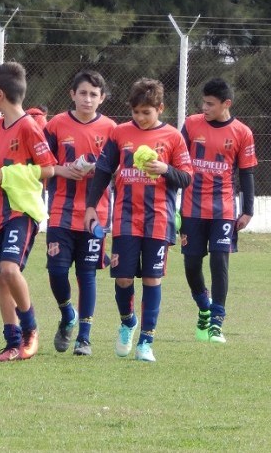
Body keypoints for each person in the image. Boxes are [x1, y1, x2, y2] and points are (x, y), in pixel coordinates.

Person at [84, 78, 192, 362]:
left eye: (147, 112)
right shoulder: (119, 134)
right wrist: (91, 206)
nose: (140, 118)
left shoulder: (173, 137)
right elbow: (103, 171)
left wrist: (165, 168)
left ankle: (146, 341)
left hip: (158, 219)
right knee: (121, 279)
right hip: (125, 219)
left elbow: (186, 178)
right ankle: (127, 321)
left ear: (160, 109)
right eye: (136, 112)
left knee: (152, 279)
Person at [0, 62, 57, 362]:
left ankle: (30, 331)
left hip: (21, 210)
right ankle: (12, 343)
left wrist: (7, 175)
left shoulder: (30, 126)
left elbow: (48, 169)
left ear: (0, 94)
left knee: (9, 269)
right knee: (1, 278)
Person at [44, 70, 116, 356]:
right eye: (83, 93)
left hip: (95, 214)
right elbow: (42, 164)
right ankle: (67, 314)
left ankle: (84, 337)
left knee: (87, 274)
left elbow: (120, 169)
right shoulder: (55, 125)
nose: (88, 99)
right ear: (72, 94)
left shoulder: (112, 129)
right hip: (60, 210)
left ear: (102, 99)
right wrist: (63, 169)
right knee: (57, 270)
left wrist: (100, 172)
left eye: (94, 95)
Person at [180, 78, 257, 343]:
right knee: (191, 264)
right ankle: (204, 305)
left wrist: (247, 210)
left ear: (226, 104)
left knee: (219, 261)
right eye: (203, 102)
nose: (204, 107)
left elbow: (246, 173)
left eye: (210, 104)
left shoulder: (242, 132)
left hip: (223, 208)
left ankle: (216, 322)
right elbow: (176, 159)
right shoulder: (191, 124)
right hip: (191, 207)